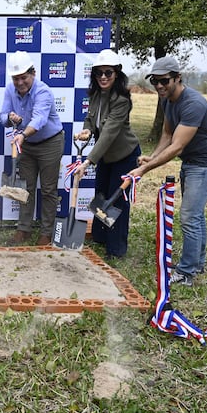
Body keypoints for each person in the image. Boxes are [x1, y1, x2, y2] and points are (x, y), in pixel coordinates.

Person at [129, 56, 207, 286]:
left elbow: (178, 146)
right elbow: (167, 135)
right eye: (155, 81)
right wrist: (152, 156)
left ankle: (186, 272)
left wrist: (146, 168)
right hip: (191, 163)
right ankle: (198, 263)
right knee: (196, 215)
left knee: (189, 217)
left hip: (205, 165)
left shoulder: (194, 104)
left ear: (177, 78)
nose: (160, 86)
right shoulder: (167, 100)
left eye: (165, 81)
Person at [73, 49, 141, 258]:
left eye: (108, 73)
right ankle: (101, 237)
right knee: (101, 196)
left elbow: (109, 133)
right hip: (105, 156)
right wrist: (87, 130)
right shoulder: (95, 95)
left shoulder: (122, 100)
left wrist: (88, 161)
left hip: (124, 156)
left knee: (116, 201)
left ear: (117, 74)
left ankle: (116, 249)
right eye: (99, 73)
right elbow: (91, 119)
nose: (103, 77)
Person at [0, 51, 64, 246]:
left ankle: (46, 233)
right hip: (26, 144)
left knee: (48, 190)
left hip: (50, 143)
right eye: (16, 78)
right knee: (25, 189)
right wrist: (10, 118)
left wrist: (23, 134)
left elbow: (39, 120)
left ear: (33, 73)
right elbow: (2, 116)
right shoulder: (10, 89)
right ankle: (24, 229)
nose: (20, 82)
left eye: (24, 77)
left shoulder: (43, 91)